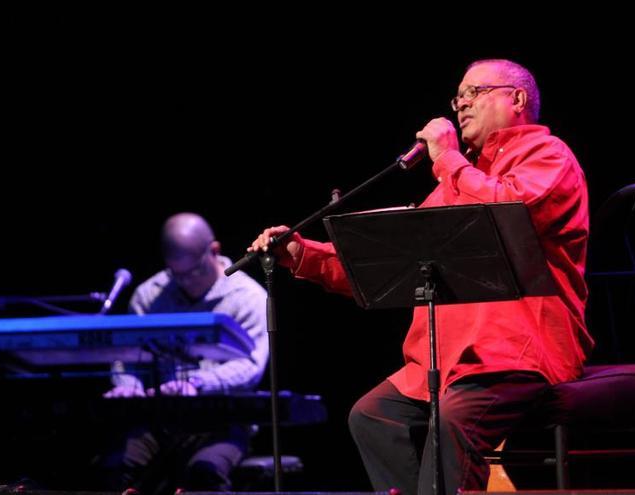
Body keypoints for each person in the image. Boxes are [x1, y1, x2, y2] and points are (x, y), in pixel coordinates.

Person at [249, 59, 592, 494]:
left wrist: (447, 157)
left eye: (476, 92)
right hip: (449, 360)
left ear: (517, 99)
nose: (462, 104)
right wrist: (302, 253)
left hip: (518, 351)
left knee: (454, 420)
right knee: (372, 415)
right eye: (458, 96)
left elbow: (508, 213)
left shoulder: (548, 156)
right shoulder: (462, 173)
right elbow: (391, 257)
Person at [104, 212, 268, 494]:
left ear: (214, 251)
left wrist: (197, 384)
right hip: (158, 420)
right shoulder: (149, 295)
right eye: (176, 275)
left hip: (222, 422)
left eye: (193, 272)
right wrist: (128, 387)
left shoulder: (248, 297)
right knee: (119, 468)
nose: (185, 282)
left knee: (204, 474)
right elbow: (127, 357)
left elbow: (251, 364)